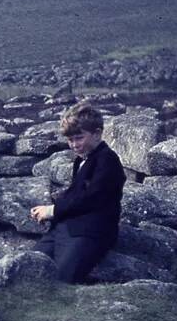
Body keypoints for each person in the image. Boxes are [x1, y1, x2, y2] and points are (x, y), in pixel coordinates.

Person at [30, 102, 126, 284]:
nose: (74, 145)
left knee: (60, 280)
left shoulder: (107, 160)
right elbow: (76, 195)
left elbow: (91, 198)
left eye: (79, 138)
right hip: (66, 228)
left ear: (97, 133)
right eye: (70, 140)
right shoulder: (82, 160)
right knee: (29, 268)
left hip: (90, 232)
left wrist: (52, 210)